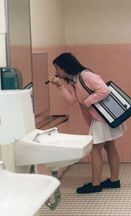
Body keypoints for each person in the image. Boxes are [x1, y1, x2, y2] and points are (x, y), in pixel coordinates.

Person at [49, 52, 126, 194]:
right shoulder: (73, 80)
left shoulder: (85, 75)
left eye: (57, 68)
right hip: (101, 118)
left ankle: (95, 184)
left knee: (95, 150)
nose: (56, 72)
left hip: (101, 118)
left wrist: (87, 102)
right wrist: (60, 86)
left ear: (65, 66)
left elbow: (104, 90)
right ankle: (114, 180)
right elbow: (71, 101)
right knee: (110, 146)